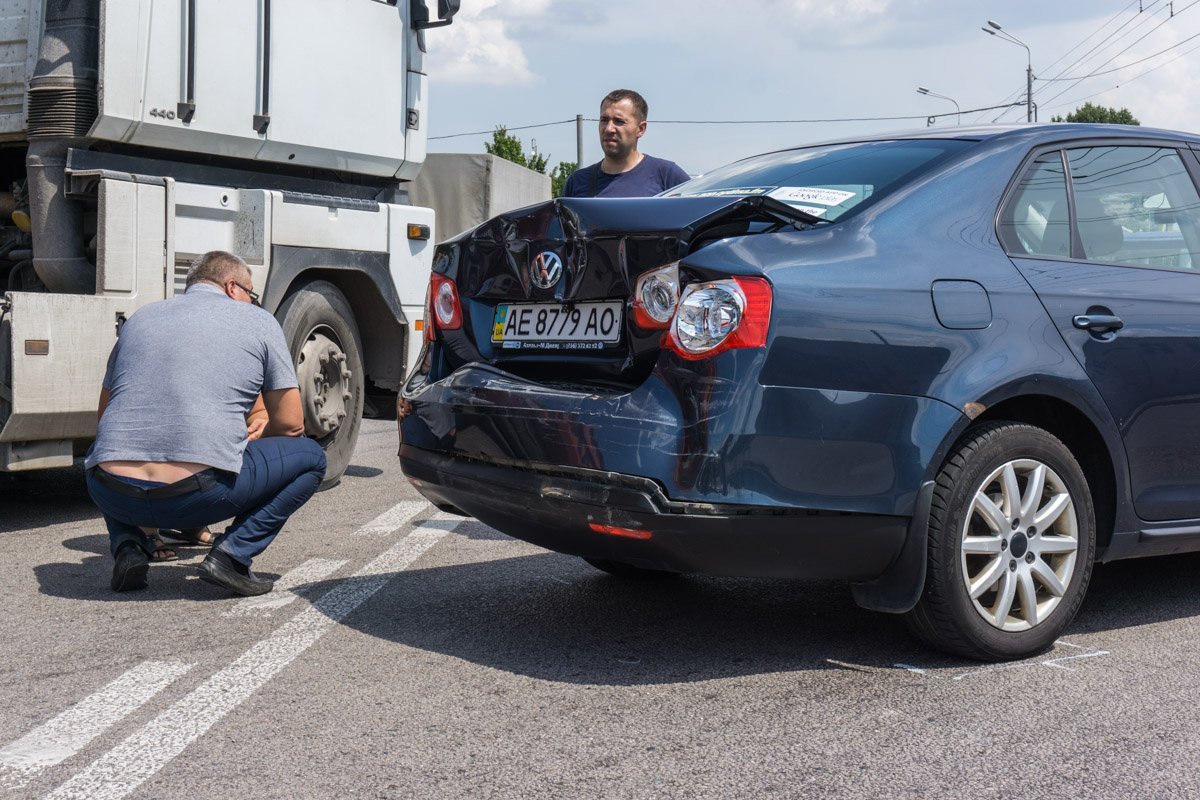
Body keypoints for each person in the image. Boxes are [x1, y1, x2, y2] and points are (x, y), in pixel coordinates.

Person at [85, 250, 326, 596]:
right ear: (232, 287)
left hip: (111, 493)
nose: (253, 302)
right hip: (197, 497)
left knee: (108, 447)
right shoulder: (258, 322)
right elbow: (291, 426)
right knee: (311, 458)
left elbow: (105, 419)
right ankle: (232, 555)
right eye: (251, 294)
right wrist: (250, 442)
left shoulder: (141, 318)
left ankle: (128, 545)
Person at [563, 89, 690, 198]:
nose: (608, 129)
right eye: (604, 120)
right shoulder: (577, 181)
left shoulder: (666, 175)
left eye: (619, 121)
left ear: (641, 129)